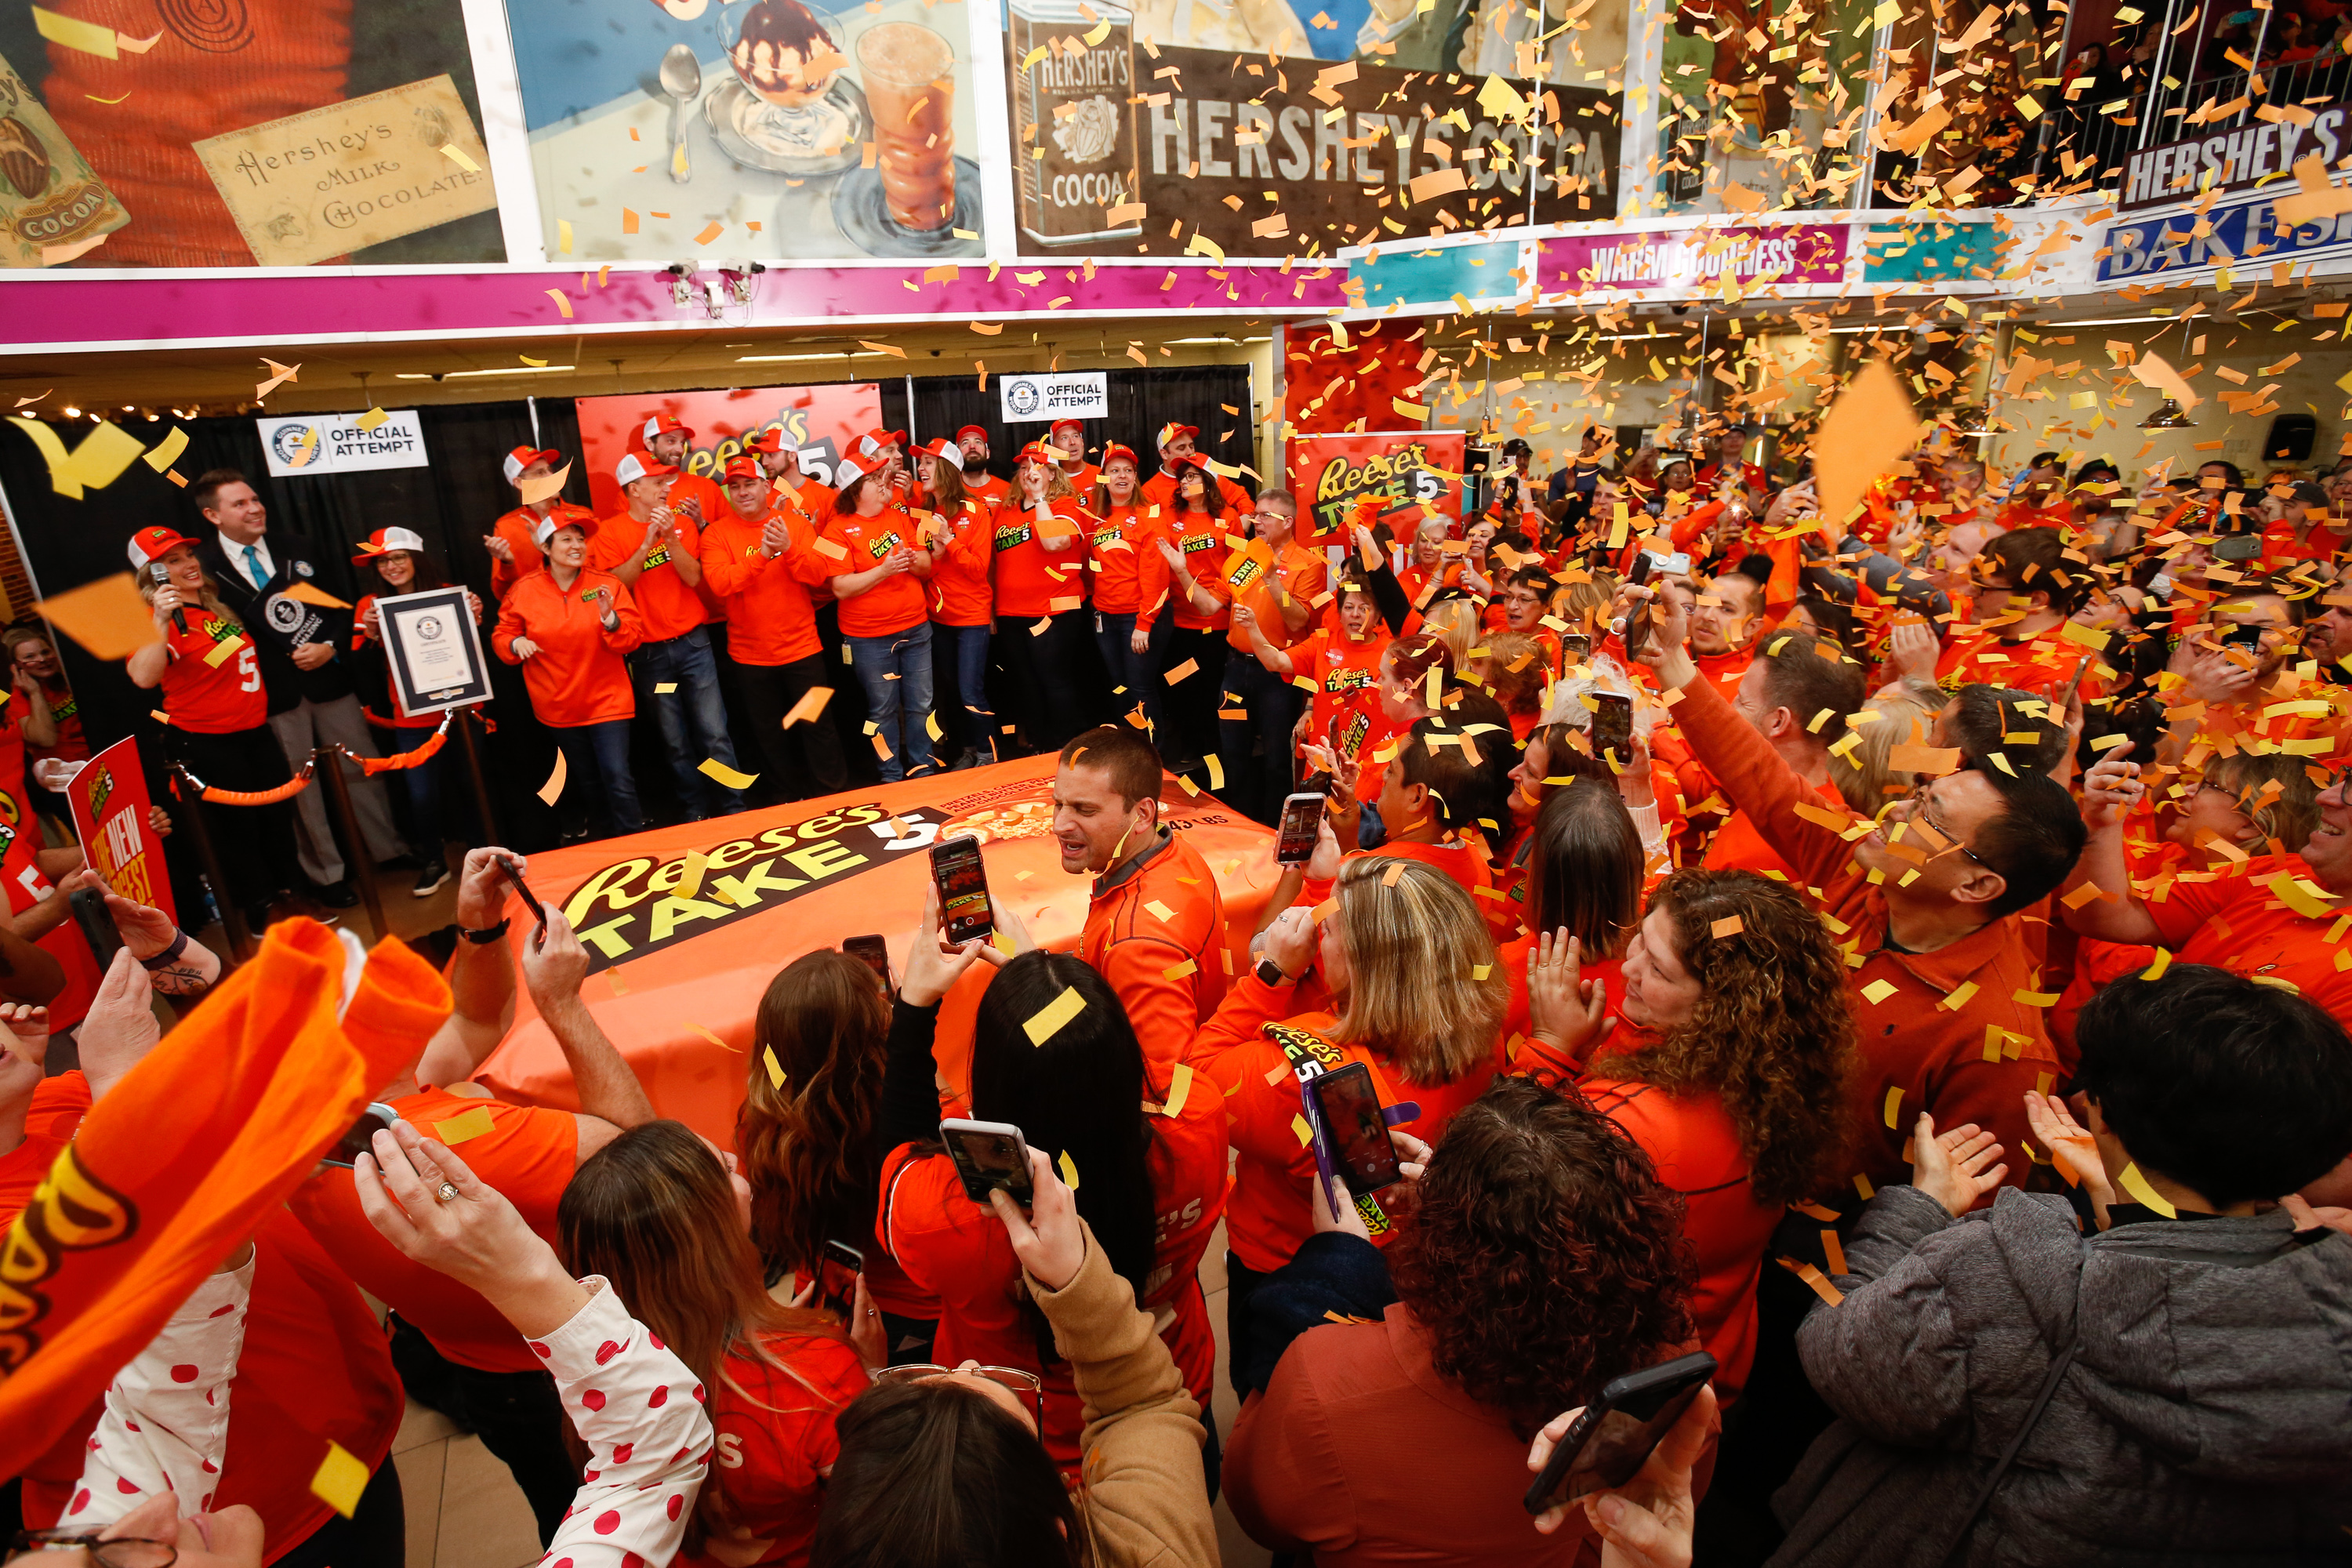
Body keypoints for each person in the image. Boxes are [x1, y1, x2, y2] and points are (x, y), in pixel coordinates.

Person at [1771, 965, 2352, 1564]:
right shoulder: (2333, 1293)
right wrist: (2124, 1202)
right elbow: (2187, 1280)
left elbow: (1843, 1356)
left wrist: (1919, 1208)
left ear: (2102, 1117)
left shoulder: (2004, 1272)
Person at [1625, 579, 2085, 1192]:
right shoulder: (1865, 872)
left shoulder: (1998, 1047)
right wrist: (1673, 661)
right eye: (1920, 793)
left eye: (1930, 816)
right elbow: (1765, 781)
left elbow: (1966, 1227)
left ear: (1977, 885)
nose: (1898, 813)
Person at [289, 879, 658, 1544]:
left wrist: (481, 933)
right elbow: (641, 1152)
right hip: (576, 1372)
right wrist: (562, 1002)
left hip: (485, 1377)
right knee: (637, 1513)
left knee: (563, 1513)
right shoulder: (469, 1147)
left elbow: (477, 1022)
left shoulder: (310, 1135)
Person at [1223, 1076, 1697, 1564]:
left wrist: (1339, 1258)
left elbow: (1257, 1507)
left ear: (1444, 1253)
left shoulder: (1323, 1388)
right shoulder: (1677, 1380)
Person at [875, 907, 1227, 1478]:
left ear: (991, 1085)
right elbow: (1132, 1078)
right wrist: (1049, 990)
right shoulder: (1201, 1120)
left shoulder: (949, 1218)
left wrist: (913, 1010)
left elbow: (901, 1156)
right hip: (1170, 1423)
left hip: (1021, 1461)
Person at [1536, 869, 1858, 1406]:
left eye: (1657, 969)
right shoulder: (1778, 1081)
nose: (1628, 966)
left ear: (1719, 1009)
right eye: (1640, 937)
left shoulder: (1629, 1125)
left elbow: (1505, 1184)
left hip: (1617, 1387)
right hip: (1713, 1357)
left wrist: (1549, 1049)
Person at [808, 1147, 1219, 1568]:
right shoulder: (1160, 1553)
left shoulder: (933, 1225)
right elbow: (1143, 1403)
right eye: (993, 1383)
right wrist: (1075, 1277)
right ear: (1058, 1531)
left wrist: (870, 1374)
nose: (967, 1364)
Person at [1189, 857, 1501, 1388]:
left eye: (1328, 926)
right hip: (1412, 1274)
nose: (1314, 922)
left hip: (1294, 1271)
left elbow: (1196, 1085)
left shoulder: (1300, 1072)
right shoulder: (1483, 1029)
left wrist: (1273, 973)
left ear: (1364, 965)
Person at [560, 1120, 876, 1568]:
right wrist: (871, 1375)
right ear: (713, 1230)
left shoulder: (592, 1374)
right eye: (727, 1168)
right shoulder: (820, 1372)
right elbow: (877, 1510)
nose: (740, 1171)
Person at [190, 469, 409, 909]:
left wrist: (329, 647)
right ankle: (327, 875)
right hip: (271, 697)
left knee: (361, 768)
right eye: (240, 504)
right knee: (300, 788)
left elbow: (339, 604)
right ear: (213, 514)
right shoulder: (204, 567)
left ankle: (390, 851)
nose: (254, 508)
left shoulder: (298, 547)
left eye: (255, 499)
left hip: (330, 682)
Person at [738, 946, 939, 1364]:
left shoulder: (760, 1129)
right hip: (916, 1320)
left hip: (820, 1301)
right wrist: (909, 1037)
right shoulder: (921, 1126)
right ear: (875, 1035)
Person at [2064, 745, 2352, 1021]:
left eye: (2208, 785)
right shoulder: (2277, 872)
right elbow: (2103, 916)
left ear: (2251, 823)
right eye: (2345, 780)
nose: (2325, 797)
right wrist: (2102, 825)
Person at [124, 525, 307, 935]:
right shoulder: (158, 621)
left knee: (276, 819)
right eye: (172, 560)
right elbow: (142, 677)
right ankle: (260, 909)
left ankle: (288, 894)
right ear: (151, 574)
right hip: (208, 742)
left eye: (188, 555)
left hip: (254, 734)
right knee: (237, 832)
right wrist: (159, 617)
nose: (188, 564)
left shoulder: (212, 607)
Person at [1054, 727, 1229, 1096]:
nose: (1059, 825)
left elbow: (1161, 1093)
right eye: (1059, 804)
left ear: (1143, 814)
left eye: (1085, 809)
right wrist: (1030, 964)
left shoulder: (1137, 944)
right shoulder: (1172, 849)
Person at [590, 451, 747, 819]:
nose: (665, 488)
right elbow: (617, 589)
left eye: (665, 481)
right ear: (634, 489)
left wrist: (670, 537)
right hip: (648, 654)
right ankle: (695, 813)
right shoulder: (610, 532)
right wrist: (646, 544)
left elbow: (694, 578)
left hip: (694, 644)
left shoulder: (682, 525)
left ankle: (734, 807)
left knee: (714, 733)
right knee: (675, 741)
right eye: (657, 482)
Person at [700, 453, 847, 804]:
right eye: (734, 487)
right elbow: (721, 584)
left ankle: (836, 799)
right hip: (751, 658)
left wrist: (789, 550)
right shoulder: (717, 534)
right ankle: (785, 802)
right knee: (769, 735)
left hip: (802, 651)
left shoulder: (793, 525)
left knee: (817, 727)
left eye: (749, 484)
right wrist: (764, 554)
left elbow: (817, 575)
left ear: (766, 486)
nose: (742, 492)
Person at [492, 513, 648, 837]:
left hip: (608, 701)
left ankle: (638, 841)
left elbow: (632, 637)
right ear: (546, 548)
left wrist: (611, 620)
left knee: (617, 776)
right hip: (559, 706)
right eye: (567, 539)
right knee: (588, 779)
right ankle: (604, 844)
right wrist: (515, 641)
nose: (577, 545)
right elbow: (501, 635)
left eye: (580, 539)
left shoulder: (607, 585)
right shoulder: (524, 589)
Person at [351, 526, 481, 896]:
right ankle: (434, 861)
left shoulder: (449, 596)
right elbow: (359, 665)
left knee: (472, 786)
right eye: (382, 562)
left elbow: (473, 647)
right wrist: (372, 635)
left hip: (460, 708)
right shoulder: (369, 607)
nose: (391, 567)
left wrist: (473, 614)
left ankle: (483, 857)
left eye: (398, 557)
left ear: (416, 559)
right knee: (421, 796)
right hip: (411, 716)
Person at [1707, 629, 1866, 881]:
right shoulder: (1815, 803)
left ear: (1778, 721)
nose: (1730, 708)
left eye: (1743, 701)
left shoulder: (1760, 857)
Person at [821, 450, 939, 782]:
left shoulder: (899, 518)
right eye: (874, 479)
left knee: (922, 705)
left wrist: (910, 560)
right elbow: (841, 588)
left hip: (915, 629)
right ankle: (890, 776)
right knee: (881, 711)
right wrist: (884, 569)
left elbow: (926, 566)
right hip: (869, 639)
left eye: (880, 476)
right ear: (854, 490)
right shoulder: (834, 532)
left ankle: (924, 769)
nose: (884, 482)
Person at [1220, 489, 1327, 824]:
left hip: (1278, 677)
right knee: (1234, 751)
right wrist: (1181, 572)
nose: (1257, 521)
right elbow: (1217, 602)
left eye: (1266, 515)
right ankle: (1240, 824)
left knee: (1277, 759)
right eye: (1255, 514)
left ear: (1289, 522)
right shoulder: (1244, 556)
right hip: (1237, 667)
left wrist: (1271, 578)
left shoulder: (1308, 564)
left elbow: (1299, 620)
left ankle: (1274, 829)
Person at [990, 442, 1091, 755]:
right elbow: (994, 561)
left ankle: (1064, 745)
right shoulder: (1005, 509)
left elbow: (1054, 543)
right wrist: (992, 608)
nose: (1028, 472)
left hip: (1055, 609)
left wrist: (1038, 499)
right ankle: (1037, 744)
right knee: (1025, 682)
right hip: (1010, 612)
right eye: (1023, 467)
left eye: (1036, 466)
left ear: (1052, 473)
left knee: (1054, 679)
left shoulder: (1067, 504)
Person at [1137, 458, 1236, 772]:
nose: (1185, 481)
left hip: (1215, 620)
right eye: (1182, 477)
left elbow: (1237, 566)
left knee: (1211, 688)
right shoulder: (1169, 518)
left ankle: (1214, 751)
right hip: (1178, 620)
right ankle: (1190, 745)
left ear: (1207, 482)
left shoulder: (1227, 518)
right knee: (1181, 686)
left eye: (1192, 476)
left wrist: (1222, 601)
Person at [913, 438, 998, 771]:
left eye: (929, 463)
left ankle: (988, 755)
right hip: (937, 618)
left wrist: (949, 541)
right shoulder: (926, 513)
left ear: (948, 469)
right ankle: (967, 750)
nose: (921, 469)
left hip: (971, 619)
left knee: (970, 692)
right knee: (950, 692)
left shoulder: (976, 510)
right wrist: (934, 555)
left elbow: (979, 569)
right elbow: (927, 571)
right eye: (920, 463)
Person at [1089, 444, 1160, 731]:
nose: (1122, 476)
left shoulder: (1149, 516)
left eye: (1128, 471)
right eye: (1114, 470)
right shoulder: (1094, 517)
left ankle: (1152, 753)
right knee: (1118, 686)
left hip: (1137, 617)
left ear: (1135, 477)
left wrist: (1144, 623)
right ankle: (1125, 750)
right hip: (1104, 617)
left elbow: (1156, 575)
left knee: (1140, 688)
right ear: (1104, 478)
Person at [482, 445, 593, 600]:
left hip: (583, 605)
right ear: (519, 483)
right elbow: (504, 595)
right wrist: (508, 564)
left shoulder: (583, 516)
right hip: (538, 616)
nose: (550, 476)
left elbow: (598, 573)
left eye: (549, 470)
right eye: (540, 472)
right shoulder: (506, 527)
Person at [1140, 423, 1249, 513]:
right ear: (1164, 454)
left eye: (1191, 446)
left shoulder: (1208, 474)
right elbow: (1151, 528)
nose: (1190, 452)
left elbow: (1241, 498)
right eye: (1181, 448)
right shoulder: (1150, 491)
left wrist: (1245, 518)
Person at [953, 423, 1011, 505]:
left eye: (978, 442)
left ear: (987, 453)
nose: (972, 446)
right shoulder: (949, 491)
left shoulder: (1006, 491)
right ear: (957, 455)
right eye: (965, 443)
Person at [1046, 416, 1100, 494]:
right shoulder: (1050, 483)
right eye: (1064, 438)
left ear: (1082, 442)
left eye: (1075, 436)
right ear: (1054, 449)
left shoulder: (1100, 475)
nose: (1072, 442)